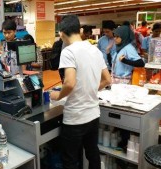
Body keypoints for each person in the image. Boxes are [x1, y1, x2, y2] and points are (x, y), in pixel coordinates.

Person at [50, 15, 111, 169]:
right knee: (92, 153)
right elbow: (107, 80)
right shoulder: (95, 49)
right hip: (93, 115)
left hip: (75, 118)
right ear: (81, 30)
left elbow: (69, 83)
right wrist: (89, 88)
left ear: (61, 34)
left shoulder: (68, 51)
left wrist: (57, 95)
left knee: (70, 160)